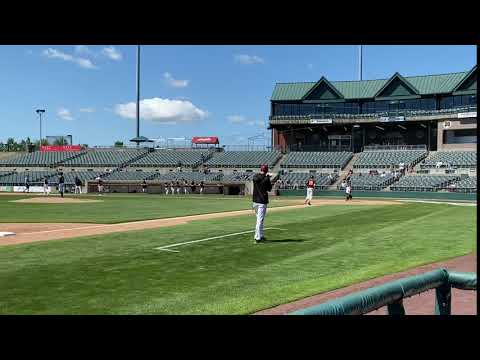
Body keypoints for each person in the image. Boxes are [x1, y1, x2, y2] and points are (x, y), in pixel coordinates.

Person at [252, 164, 272, 244]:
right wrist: (268, 178)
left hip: (255, 201)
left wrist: (266, 177)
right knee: (259, 220)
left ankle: (260, 235)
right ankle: (257, 238)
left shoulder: (255, 177)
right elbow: (269, 189)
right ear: (266, 170)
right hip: (262, 201)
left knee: (259, 220)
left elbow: (258, 179)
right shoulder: (266, 179)